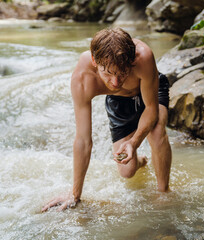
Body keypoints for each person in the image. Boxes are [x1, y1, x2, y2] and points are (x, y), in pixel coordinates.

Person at [41, 28, 172, 212]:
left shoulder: (143, 56)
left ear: (132, 60)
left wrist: (133, 143)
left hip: (150, 90)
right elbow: (83, 140)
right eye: (108, 73)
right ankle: (142, 161)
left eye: (122, 73)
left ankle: (164, 193)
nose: (116, 83)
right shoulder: (82, 78)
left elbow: (151, 110)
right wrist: (75, 195)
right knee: (127, 171)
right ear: (95, 62)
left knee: (156, 130)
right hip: (119, 103)